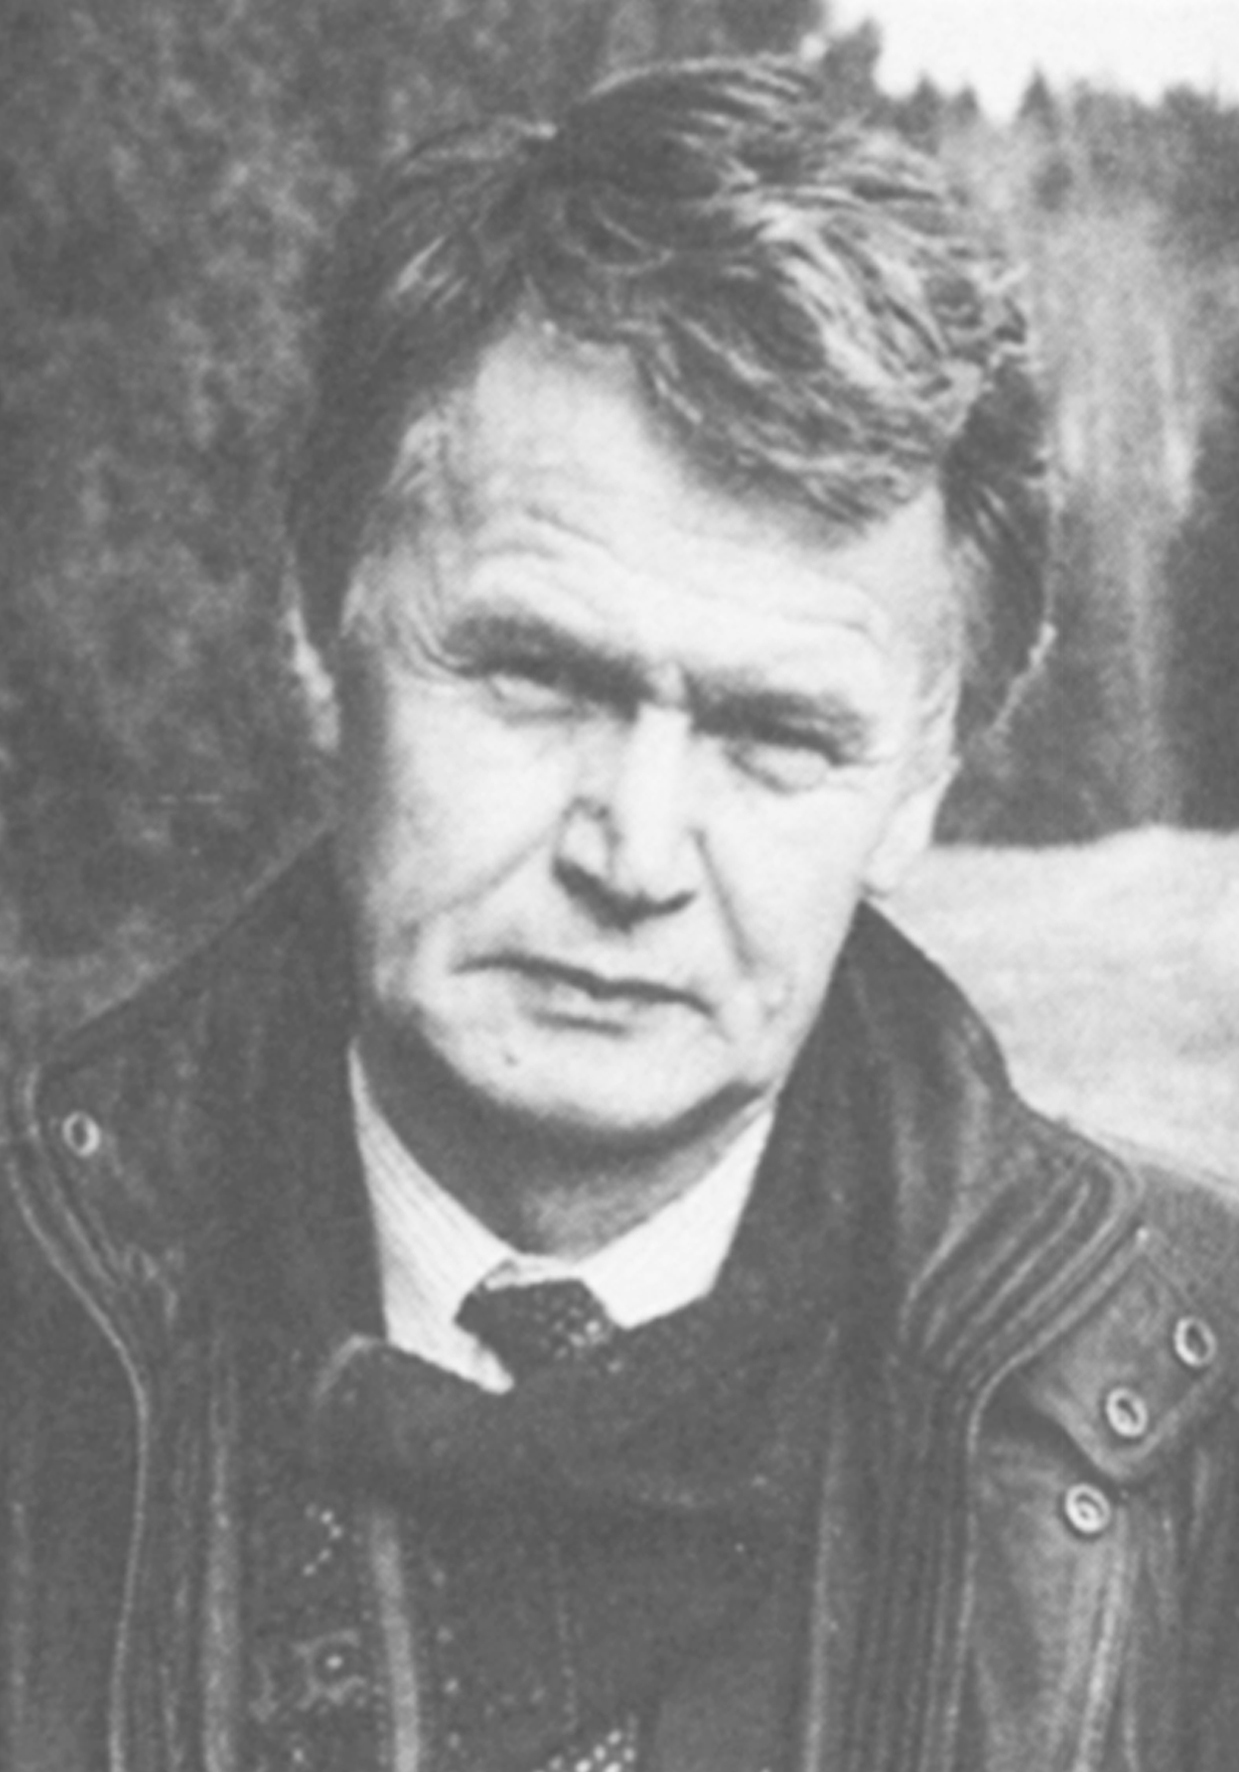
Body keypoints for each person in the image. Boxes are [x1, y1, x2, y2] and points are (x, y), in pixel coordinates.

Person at [0, 57, 1233, 1772]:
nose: (637, 854)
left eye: (776, 732)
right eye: (536, 674)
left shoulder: (1193, 1437)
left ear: (925, 780)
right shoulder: (35, 1332)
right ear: (317, 632)